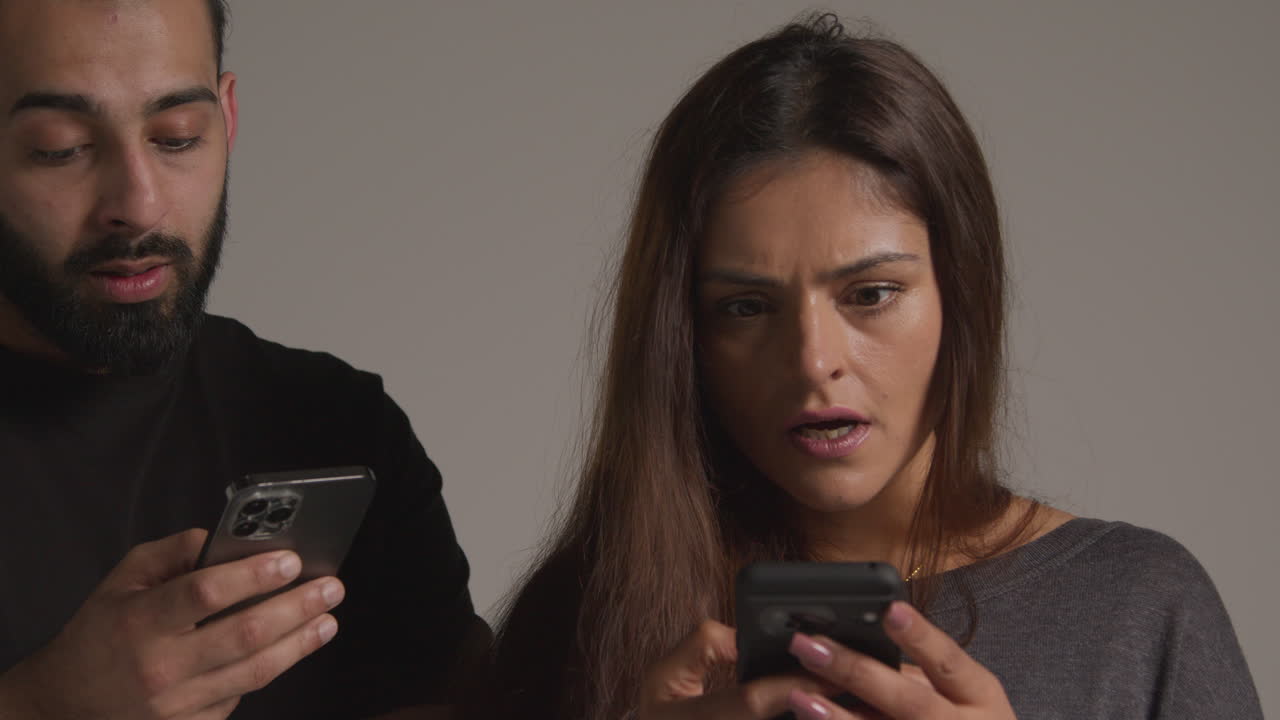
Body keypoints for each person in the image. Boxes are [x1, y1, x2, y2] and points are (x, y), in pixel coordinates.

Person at [475, 14, 1263, 720]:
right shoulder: (579, 616)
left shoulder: (1137, 608)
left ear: (964, 290)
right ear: (683, 335)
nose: (816, 362)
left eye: (872, 294)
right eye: (746, 308)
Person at [0, 1, 484, 718]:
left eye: (176, 137)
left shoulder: (343, 423)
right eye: (62, 148)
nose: (139, 204)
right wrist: (42, 707)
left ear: (227, 119)